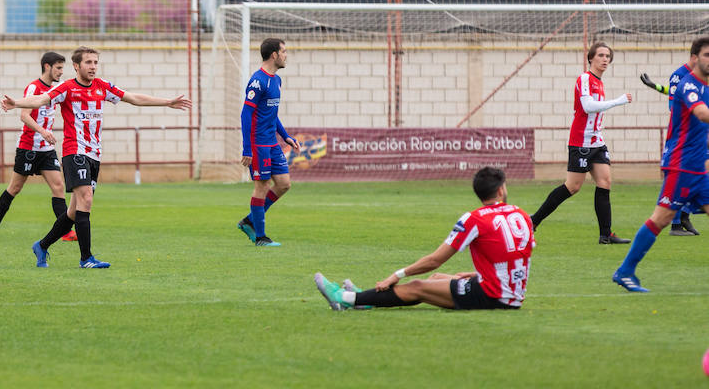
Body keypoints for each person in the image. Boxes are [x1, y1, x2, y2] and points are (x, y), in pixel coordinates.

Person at [1, 46, 190, 268]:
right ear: (77, 66)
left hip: (94, 154)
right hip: (75, 151)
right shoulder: (67, 88)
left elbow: (133, 98)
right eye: (88, 62)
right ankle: (86, 259)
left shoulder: (102, 87)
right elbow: (40, 100)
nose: (93, 67)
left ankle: (42, 246)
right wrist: (17, 103)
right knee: (87, 199)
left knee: (73, 212)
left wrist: (167, 102)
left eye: (95, 62)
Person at [315, 167, 533, 311]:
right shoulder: (522, 214)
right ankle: (367, 301)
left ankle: (344, 299)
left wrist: (397, 274)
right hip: (510, 291)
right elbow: (516, 258)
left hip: (493, 296)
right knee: (437, 278)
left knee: (418, 285)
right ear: (501, 190)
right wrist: (479, 274)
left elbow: (434, 260)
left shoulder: (474, 219)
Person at [612, 36, 709, 292]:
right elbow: (701, 113)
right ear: (694, 58)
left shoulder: (706, 85)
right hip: (681, 165)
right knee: (661, 218)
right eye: (707, 55)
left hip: (699, 166)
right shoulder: (689, 84)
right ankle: (625, 271)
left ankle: (625, 272)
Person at [528, 42, 632, 243]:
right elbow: (587, 106)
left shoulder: (600, 82)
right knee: (573, 186)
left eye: (608, 56)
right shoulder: (585, 78)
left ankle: (606, 234)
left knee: (605, 181)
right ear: (591, 58)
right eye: (601, 55)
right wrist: (617, 101)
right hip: (581, 141)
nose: (604, 59)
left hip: (597, 141)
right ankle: (534, 220)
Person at [0, 51, 75, 243]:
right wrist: (43, 131)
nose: (61, 72)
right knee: (15, 188)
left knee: (58, 187)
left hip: (46, 150)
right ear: (47, 67)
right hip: (28, 148)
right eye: (58, 68)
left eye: (62, 68)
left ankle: (65, 232)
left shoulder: (56, 88)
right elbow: (24, 115)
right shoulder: (34, 87)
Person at [236, 38, 301, 247]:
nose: (286, 55)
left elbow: (271, 114)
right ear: (274, 55)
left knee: (284, 184)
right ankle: (261, 237)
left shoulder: (277, 80)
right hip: (258, 144)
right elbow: (246, 114)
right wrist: (247, 148)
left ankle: (249, 220)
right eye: (284, 51)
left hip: (272, 143)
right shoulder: (258, 81)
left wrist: (286, 136)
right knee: (262, 186)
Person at [640, 66, 702, 236]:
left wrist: (655, 86)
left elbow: (674, 93)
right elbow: (675, 101)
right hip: (685, 136)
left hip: (700, 134)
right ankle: (676, 222)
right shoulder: (679, 74)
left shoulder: (700, 77)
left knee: (696, 179)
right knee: (682, 178)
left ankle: (684, 216)